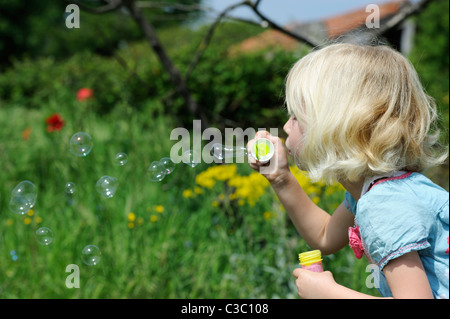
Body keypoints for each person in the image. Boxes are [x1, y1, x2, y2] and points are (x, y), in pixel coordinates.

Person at [248, 43, 449, 299]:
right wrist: (280, 178)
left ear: (336, 126)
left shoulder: (384, 205)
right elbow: (324, 237)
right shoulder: (380, 191)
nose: (286, 126)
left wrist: (329, 294)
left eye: (296, 117)